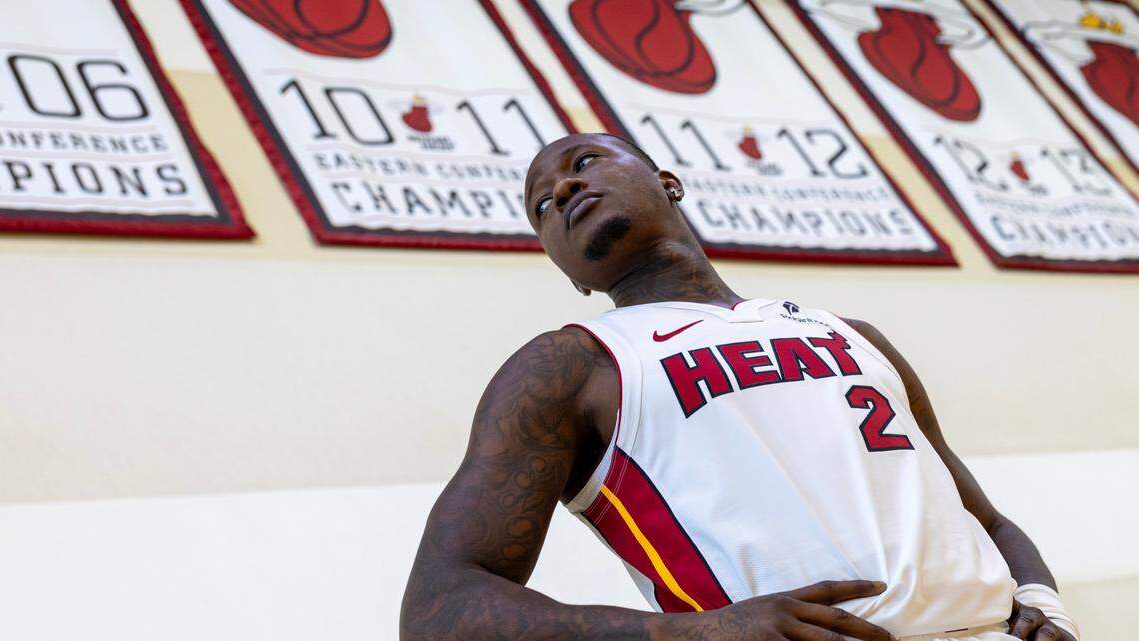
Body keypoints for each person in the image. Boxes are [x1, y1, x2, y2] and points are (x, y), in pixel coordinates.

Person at [399, 133, 1079, 641]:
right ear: (571, 275)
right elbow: (439, 604)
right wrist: (688, 632)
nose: (565, 192)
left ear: (668, 183)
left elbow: (985, 520)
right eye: (542, 205)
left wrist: (1046, 605)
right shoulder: (573, 367)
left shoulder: (855, 333)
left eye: (583, 164)